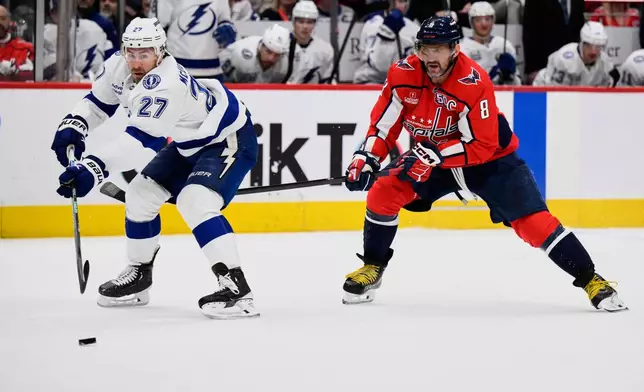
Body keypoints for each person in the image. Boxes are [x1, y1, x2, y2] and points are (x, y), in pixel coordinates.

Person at [342, 16, 627, 313]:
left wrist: (434, 155)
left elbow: (482, 144)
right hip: (434, 159)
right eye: (424, 48)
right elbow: (382, 127)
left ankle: (591, 279)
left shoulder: (474, 80)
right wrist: (365, 158)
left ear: (454, 48)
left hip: (491, 161)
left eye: (438, 49)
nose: (429, 56)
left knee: (535, 225)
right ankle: (372, 267)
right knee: (383, 191)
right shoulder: (403, 74)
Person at [50, 17, 259, 320]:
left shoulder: (165, 83)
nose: (135, 61)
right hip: (190, 141)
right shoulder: (121, 65)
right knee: (139, 194)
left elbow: (141, 142)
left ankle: (238, 291)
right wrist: (75, 124)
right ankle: (139, 276)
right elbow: (98, 102)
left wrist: (94, 167)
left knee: (195, 201)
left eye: (144, 54)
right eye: (131, 53)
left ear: (160, 52)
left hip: (228, 138)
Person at [155, 0, 237, 80]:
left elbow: (224, 19)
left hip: (212, 69)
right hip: (177, 68)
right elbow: (157, 27)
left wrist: (227, 28)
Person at [532, 21, 617, 87]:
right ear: (581, 43)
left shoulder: (605, 63)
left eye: (598, 47)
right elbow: (556, 92)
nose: (593, 51)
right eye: (588, 45)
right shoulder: (565, 60)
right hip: (544, 91)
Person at [353, 0, 419, 84]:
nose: (405, 5)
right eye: (400, 1)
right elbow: (381, 67)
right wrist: (387, 32)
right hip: (371, 81)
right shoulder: (372, 25)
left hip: (402, 85)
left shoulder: (415, 28)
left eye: (405, 1)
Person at [459, 1, 521, 85]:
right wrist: (490, 77)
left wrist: (509, 76)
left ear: (493, 20)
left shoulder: (504, 45)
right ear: (471, 22)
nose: (484, 24)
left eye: (487, 19)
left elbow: (518, 84)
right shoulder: (462, 48)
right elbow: (460, 84)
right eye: (478, 20)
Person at [220, 23, 290, 83]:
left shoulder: (283, 65)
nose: (271, 58)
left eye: (277, 55)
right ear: (261, 45)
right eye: (268, 51)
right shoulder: (240, 54)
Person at [284, 0, 333, 84]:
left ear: (315, 23)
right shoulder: (282, 46)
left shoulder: (325, 50)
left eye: (309, 22)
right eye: (301, 21)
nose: (305, 26)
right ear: (293, 22)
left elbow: (327, 81)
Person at [0, 5, 34, 81]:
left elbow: (36, 76)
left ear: (10, 21)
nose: (0, 23)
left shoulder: (26, 48)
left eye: (3, 19)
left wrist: (16, 70)